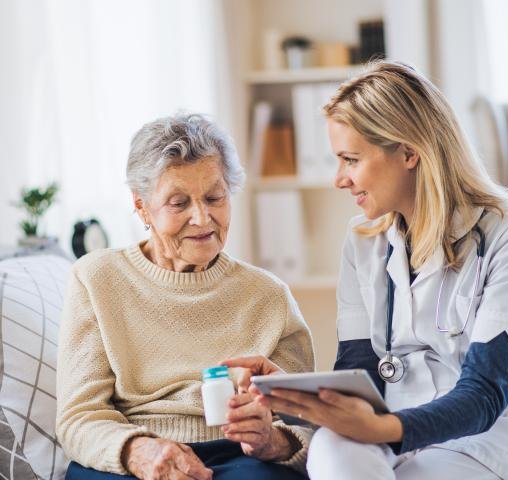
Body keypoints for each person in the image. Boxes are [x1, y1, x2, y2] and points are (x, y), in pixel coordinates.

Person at [226, 62, 508, 480]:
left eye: (350, 159)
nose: (339, 180)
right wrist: (300, 395)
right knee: (331, 448)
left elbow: (484, 397)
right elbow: (363, 372)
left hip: (487, 439)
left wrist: (382, 429)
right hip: (392, 429)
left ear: (408, 152)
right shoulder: (364, 239)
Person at [56, 113, 314, 480]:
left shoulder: (268, 296)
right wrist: (138, 451)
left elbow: (307, 426)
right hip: (132, 453)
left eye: (214, 197)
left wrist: (274, 440)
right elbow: (79, 416)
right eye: (179, 203)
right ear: (142, 206)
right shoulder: (96, 280)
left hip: (240, 455)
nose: (202, 218)